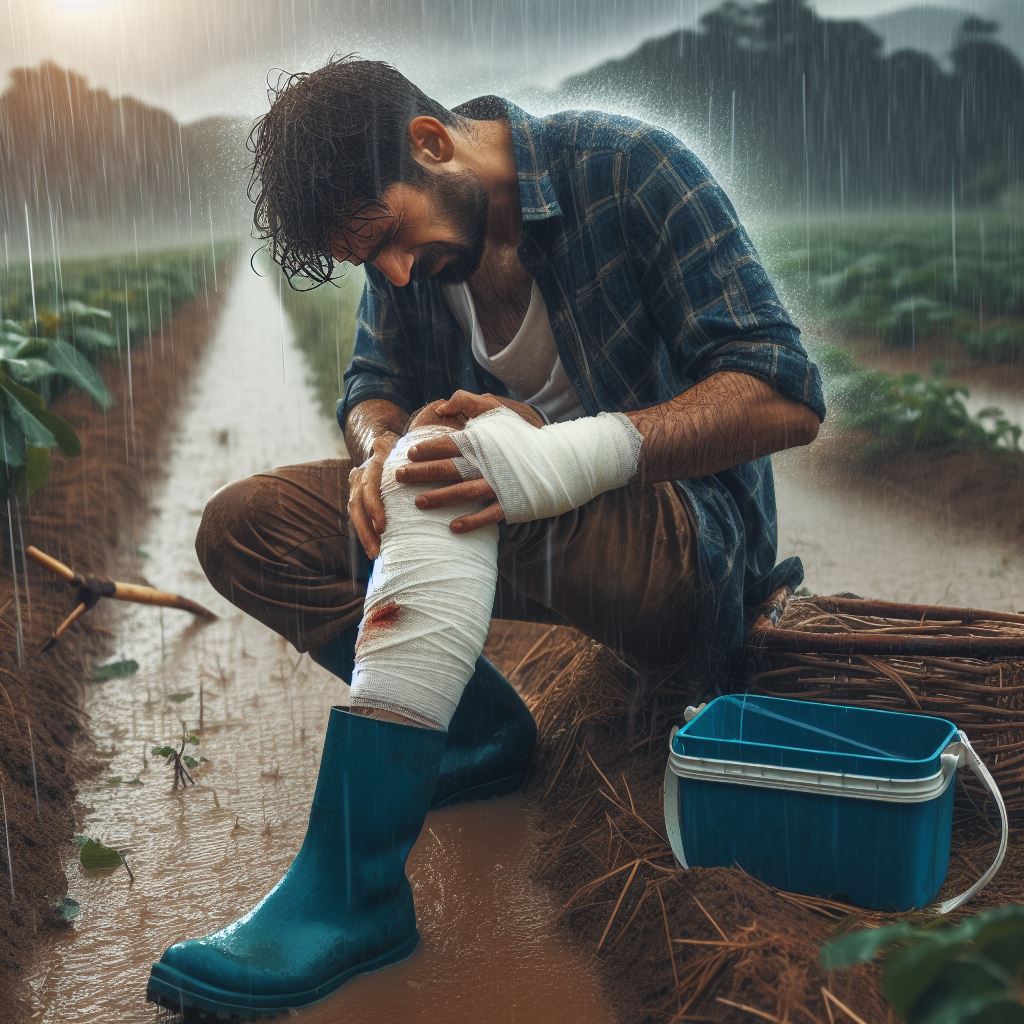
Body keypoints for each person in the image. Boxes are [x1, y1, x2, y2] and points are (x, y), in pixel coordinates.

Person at [146, 54, 826, 1019]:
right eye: (367, 263)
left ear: (433, 144)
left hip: (686, 545)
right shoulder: (415, 245)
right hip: (504, 518)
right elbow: (369, 389)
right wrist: (377, 449)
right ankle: (475, 732)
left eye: (388, 240)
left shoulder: (634, 172)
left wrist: (568, 452)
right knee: (245, 526)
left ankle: (355, 894)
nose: (392, 273)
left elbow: (784, 394)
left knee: (446, 471)